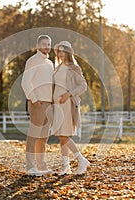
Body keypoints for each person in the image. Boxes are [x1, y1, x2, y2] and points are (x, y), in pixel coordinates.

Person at [52, 41, 90, 175]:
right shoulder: (56, 68)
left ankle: (81, 159)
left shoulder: (74, 68)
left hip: (67, 104)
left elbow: (83, 85)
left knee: (64, 134)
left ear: (68, 52)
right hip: (57, 105)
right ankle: (65, 166)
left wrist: (68, 94)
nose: (61, 53)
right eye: (59, 51)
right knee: (61, 136)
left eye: (63, 51)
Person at [21, 35, 54, 176]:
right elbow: (25, 82)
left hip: (49, 103)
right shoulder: (33, 61)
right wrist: (33, 100)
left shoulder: (50, 63)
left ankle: (41, 166)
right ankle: (30, 167)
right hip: (37, 103)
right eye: (44, 44)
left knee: (43, 137)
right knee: (34, 136)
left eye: (49, 44)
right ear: (38, 45)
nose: (47, 46)